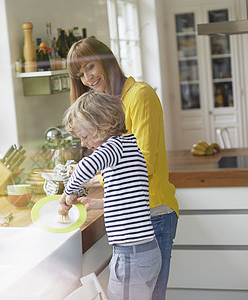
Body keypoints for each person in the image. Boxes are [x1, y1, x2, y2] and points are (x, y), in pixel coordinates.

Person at [66, 37, 179, 300]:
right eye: (80, 75)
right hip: (137, 213)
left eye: (90, 67)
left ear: (107, 61)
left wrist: (81, 184)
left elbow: (144, 162)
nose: (87, 78)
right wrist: (97, 187)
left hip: (153, 211)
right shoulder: (111, 102)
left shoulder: (139, 95)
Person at [58, 90, 161, 300]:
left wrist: (67, 195)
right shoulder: (130, 147)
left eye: (84, 136)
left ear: (104, 124)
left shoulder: (114, 147)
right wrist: (99, 203)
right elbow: (131, 198)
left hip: (131, 255)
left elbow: (86, 166)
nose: (84, 144)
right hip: (146, 252)